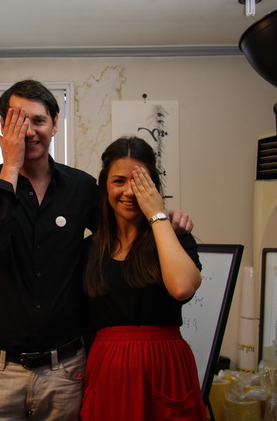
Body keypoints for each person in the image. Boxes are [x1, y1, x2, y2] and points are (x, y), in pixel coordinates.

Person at [0, 80, 194, 420]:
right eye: (18, 121)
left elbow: (122, 231)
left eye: (39, 120)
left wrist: (162, 218)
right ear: (3, 125)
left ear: (55, 124)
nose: (29, 131)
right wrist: (10, 166)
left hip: (64, 367)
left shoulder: (81, 187)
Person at [80, 136, 205, 421]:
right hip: (107, 372)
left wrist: (158, 215)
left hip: (165, 368)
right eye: (119, 181)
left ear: (154, 188)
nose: (129, 191)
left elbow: (182, 288)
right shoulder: (90, 249)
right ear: (105, 186)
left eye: (139, 182)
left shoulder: (175, 239)